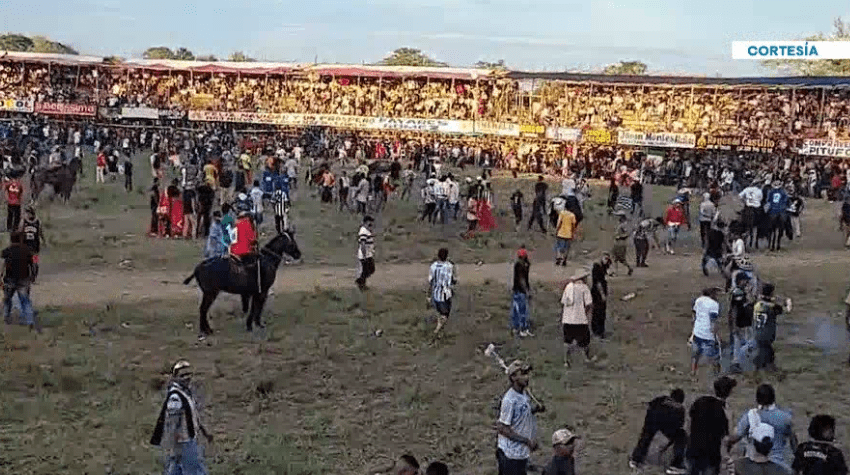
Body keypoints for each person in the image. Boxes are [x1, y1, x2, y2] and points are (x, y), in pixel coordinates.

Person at [150, 360, 211, 475]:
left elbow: (194, 415)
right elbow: (172, 425)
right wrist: (173, 448)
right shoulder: (175, 397)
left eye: (188, 374)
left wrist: (205, 432)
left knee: (176, 470)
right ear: (175, 378)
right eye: (182, 376)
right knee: (195, 471)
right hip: (183, 443)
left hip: (188, 440)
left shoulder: (185, 393)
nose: (187, 378)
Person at [726, 384, 796, 473]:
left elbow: (735, 437)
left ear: (757, 399)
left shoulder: (750, 416)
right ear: (773, 398)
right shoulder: (785, 417)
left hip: (753, 465)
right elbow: (794, 443)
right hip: (779, 465)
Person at [496, 360, 542, 475]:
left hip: (521, 453)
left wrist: (535, 409)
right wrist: (527, 441)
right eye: (523, 374)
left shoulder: (524, 393)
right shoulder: (509, 400)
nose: (527, 377)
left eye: (527, 374)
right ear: (513, 377)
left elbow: (520, 413)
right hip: (510, 455)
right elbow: (503, 428)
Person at [628, 388, 688, 474]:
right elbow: (679, 426)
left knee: (646, 435)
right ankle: (676, 464)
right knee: (682, 435)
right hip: (667, 426)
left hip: (653, 419)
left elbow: (650, 405)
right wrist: (669, 442)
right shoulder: (680, 409)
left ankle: (636, 459)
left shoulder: (662, 399)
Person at [687, 376, 737, 475]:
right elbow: (727, 438)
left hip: (693, 449)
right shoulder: (724, 411)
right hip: (711, 454)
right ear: (729, 392)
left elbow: (689, 421)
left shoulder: (699, 401)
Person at [2, 231, 37, 332]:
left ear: (11, 239)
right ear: (21, 239)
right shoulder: (27, 250)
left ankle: (7, 316)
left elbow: (2, 265)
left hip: (10, 278)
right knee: (25, 300)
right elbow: (34, 263)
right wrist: (33, 275)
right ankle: (30, 320)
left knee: (7, 298)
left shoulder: (6, 251)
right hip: (24, 278)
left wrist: (0, 276)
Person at [752, 283, 791, 371]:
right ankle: (764, 369)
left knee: (764, 352)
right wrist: (788, 302)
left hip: (757, 332)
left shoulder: (757, 305)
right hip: (767, 335)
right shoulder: (772, 307)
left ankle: (761, 368)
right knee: (768, 354)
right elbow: (787, 310)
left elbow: (764, 301)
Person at [560, 268, 595, 367]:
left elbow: (563, 301)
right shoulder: (584, 288)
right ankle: (586, 358)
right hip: (580, 319)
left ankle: (566, 361)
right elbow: (589, 303)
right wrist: (585, 312)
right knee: (585, 340)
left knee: (567, 341)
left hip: (567, 319)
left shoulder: (568, 287)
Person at [690, 287, 722, 377]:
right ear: (712, 294)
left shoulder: (698, 300)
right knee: (714, 357)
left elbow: (694, 316)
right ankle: (715, 375)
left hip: (697, 332)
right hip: (708, 335)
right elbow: (713, 321)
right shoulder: (714, 304)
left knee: (695, 355)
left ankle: (693, 371)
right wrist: (716, 336)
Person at [728, 273, 754, 374]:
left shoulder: (743, 292)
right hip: (741, 324)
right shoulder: (738, 293)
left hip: (746, 323)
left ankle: (737, 363)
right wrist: (734, 326)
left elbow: (751, 304)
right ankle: (737, 363)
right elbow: (734, 310)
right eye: (745, 280)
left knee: (739, 344)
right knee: (745, 344)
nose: (747, 282)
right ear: (740, 281)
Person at [428, 247, 457, 336]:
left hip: (435, 294)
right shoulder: (449, 266)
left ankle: (439, 330)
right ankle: (437, 330)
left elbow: (431, 281)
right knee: (445, 315)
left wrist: (429, 295)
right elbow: (453, 280)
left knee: (440, 313)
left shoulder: (433, 266)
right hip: (445, 294)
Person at [229, 210, 258, 280]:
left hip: (232, 250)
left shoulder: (236, 222)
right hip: (244, 250)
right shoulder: (247, 223)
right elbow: (252, 239)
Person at [511, 247, 533, 338]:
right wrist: (527, 291)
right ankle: (522, 329)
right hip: (521, 290)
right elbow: (522, 280)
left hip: (517, 290)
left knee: (516, 310)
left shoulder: (520, 265)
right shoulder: (521, 266)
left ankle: (516, 328)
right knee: (522, 311)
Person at [19, 206, 44, 284]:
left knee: (34, 263)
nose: (25, 215)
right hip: (26, 245)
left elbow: (41, 232)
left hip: (34, 246)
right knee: (27, 262)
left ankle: (33, 278)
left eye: (27, 213)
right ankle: (28, 278)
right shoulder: (24, 221)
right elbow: (19, 232)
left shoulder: (37, 222)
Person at [590, 254, 612, 339]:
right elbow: (598, 283)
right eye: (605, 258)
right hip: (598, 292)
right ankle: (597, 331)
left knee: (602, 311)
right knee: (598, 311)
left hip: (601, 290)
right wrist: (602, 294)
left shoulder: (602, 267)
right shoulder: (597, 268)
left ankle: (600, 330)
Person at [356, 215, 376, 291]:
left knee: (369, 270)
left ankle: (361, 282)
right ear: (366, 222)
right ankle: (361, 283)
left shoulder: (366, 230)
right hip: (365, 255)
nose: (371, 223)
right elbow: (363, 244)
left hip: (368, 254)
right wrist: (364, 255)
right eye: (370, 221)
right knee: (368, 270)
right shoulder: (363, 231)